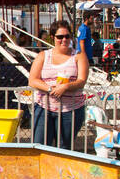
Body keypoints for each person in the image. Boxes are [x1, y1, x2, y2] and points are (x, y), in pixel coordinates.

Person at [28, 21, 89, 149]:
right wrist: (51, 89)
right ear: (53, 37)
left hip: (71, 111)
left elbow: (82, 80)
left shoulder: (79, 56)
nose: (64, 40)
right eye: (60, 37)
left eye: (67, 36)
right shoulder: (43, 56)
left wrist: (65, 87)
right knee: (39, 147)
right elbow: (33, 80)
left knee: (64, 149)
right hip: (44, 108)